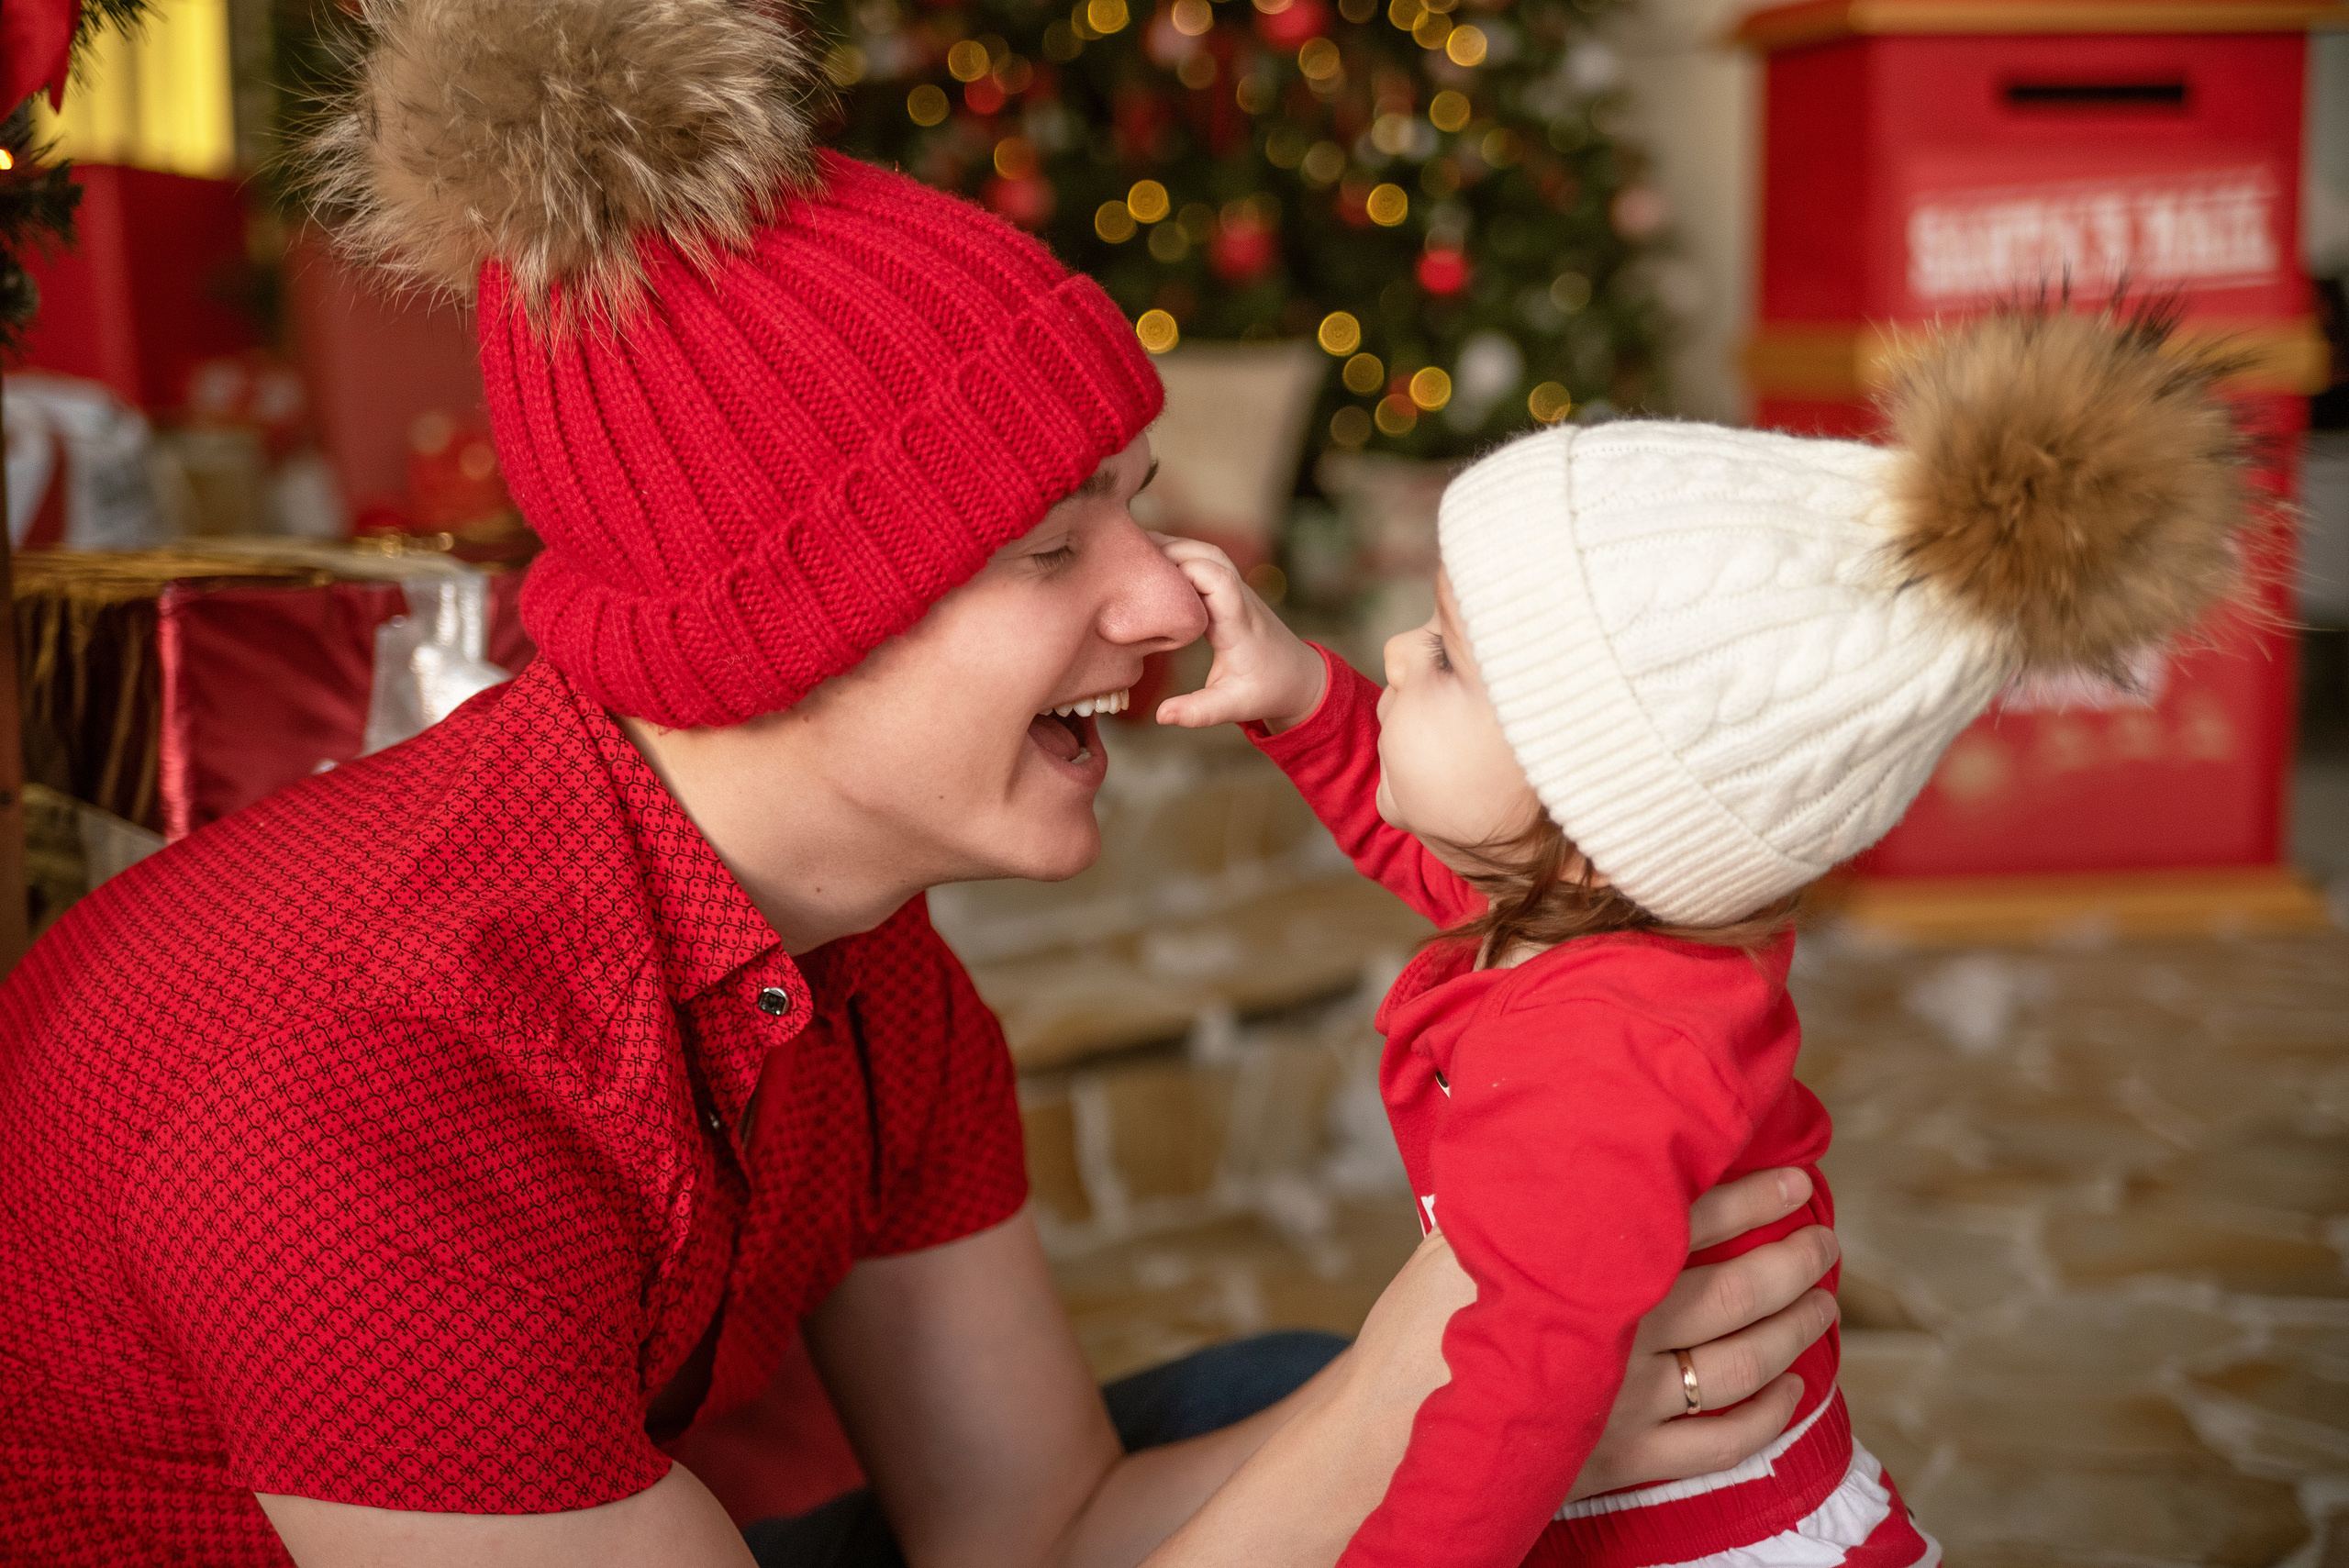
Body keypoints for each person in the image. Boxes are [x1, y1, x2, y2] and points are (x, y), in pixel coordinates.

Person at [0, 2, 1846, 1563]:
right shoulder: (369, 1086)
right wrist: (1462, 1351)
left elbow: (1036, 1532)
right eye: (1048, 553)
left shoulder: (867, 967)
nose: (1168, 596)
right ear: (780, 627)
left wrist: (1486, 1394)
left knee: (1293, 1404)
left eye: (1126, 503)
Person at [1152, 303, 2252, 1566]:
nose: (1398, 647)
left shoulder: (1605, 1051)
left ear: (1598, 811)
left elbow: (1526, 1392)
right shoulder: (1607, 921)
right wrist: (1299, 690)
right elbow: (1455, 849)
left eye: (1448, 657)